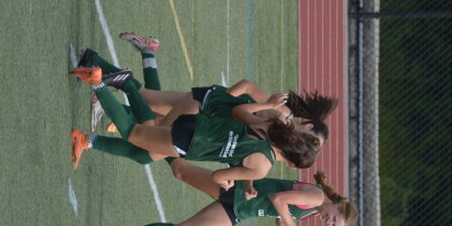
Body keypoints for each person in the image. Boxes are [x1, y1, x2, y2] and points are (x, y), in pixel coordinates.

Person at [69, 66, 319, 186]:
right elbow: (218, 176)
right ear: (292, 164)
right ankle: (100, 83)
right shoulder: (262, 167)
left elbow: (238, 111)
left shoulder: (270, 126)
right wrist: (228, 182)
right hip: (191, 142)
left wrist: (265, 105)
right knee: (134, 134)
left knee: (145, 144)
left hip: (198, 123)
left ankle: (86, 139)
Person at [100, 160, 357, 226]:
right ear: (337, 205)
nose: (329, 222)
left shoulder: (314, 210)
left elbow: (281, 205)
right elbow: (278, 198)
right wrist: (293, 225)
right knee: (180, 170)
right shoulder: (316, 197)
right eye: (334, 219)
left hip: (240, 210)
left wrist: (283, 223)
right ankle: (147, 127)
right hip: (237, 190)